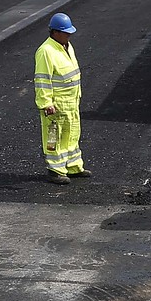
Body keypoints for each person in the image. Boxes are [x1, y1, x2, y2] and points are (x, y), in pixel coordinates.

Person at [35, 11, 88, 184]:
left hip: (71, 103)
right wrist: (46, 103)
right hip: (56, 106)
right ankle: (55, 169)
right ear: (55, 32)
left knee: (72, 134)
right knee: (54, 138)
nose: (69, 36)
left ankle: (73, 166)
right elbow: (42, 80)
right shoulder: (46, 51)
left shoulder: (66, 46)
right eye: (66, 33)